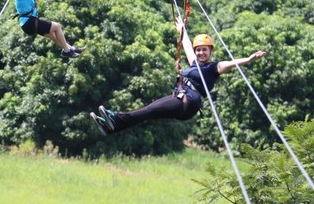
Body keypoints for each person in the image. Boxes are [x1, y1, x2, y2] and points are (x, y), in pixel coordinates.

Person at [91, 17, 266, 135]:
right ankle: (111, 127)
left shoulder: (214, 67)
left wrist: (249, 59)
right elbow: (187, 45)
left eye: (204, 50)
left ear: (210, 51)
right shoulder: (194, 63)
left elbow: (232, 63)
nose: (200, 53)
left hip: (187, 103)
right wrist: (182, 28)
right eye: (199, 50)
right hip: (179, 98)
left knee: (148, 111)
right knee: (147, 113)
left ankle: (114, 117)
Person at [13, 0, 85, 59]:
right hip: (29, 22)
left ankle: (71, 48)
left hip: (29, 22)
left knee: (52, 34)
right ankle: (66, 51)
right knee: (57, 26)